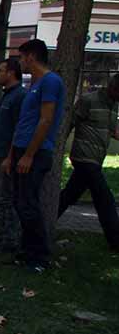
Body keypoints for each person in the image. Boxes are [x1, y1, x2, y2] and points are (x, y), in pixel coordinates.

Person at [3, 38, 65, 272]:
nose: (21, 63)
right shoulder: (35, 84)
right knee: (20, 203)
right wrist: (12, 155)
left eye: (22, 57)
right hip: (21, 148)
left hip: (36, 152)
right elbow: (23, 123)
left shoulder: (50, 82)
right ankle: (25, 252)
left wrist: (29, 155)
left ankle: (40, 257)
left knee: (29, 204)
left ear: (31, 56)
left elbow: (46, 120)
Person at [57, 73, 119, 250]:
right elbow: (69, 124)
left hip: (97, 159)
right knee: (104, 199)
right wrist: (59, 151)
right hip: (83, 158)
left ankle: (43, 222)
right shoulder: (88, 100)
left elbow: (111, 131)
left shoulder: (114, 107)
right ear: (113, 88)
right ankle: (115, 240)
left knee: (69, 195)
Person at [0, 58, 27, 254]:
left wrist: (10, 157)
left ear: (10, 73)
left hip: (6, 157)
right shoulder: (5, 96)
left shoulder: (19, 97)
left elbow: (19, 129)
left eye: (0, 70)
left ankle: (9, 240)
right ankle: (0, 238)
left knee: (7, 199)